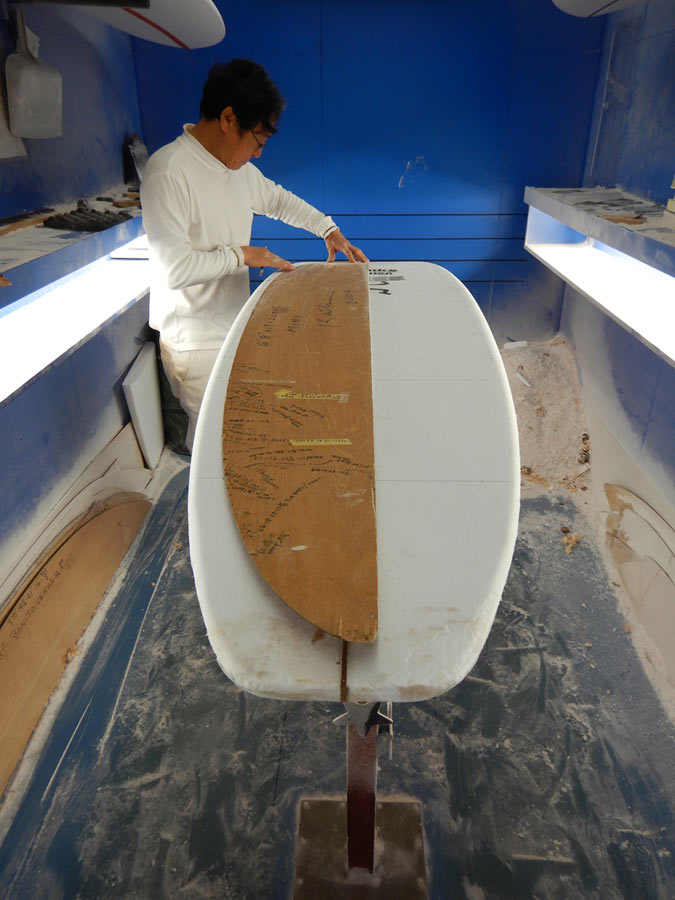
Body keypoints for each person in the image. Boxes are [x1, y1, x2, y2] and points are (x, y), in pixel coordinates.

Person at [141, 58, 368, 451]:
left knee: (242, 441)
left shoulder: (236, 170)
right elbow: (175, 270)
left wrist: (327, 228)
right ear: (228, 119)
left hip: (232, 328)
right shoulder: (168, 172)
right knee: (216, 448)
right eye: (258, 141)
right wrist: (244, 255)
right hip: (194, 343)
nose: (259, 154)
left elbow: (277, 200)